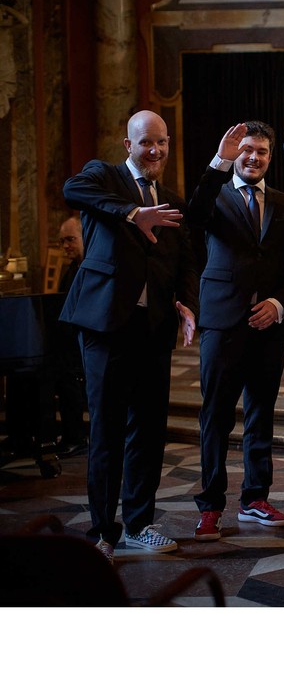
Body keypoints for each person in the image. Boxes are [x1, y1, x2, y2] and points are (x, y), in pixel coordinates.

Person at [61, 110, 199, 562]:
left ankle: (139, 524)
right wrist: (135, 212)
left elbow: (183, 263)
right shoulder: (104, 178)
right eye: (145, 143)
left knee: (148, 431)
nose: (154, 150)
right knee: (106, 429)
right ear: (129, 145)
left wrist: (187, 303)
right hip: (105, 327)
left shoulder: (173, 201)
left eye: (160, 142)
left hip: (153, 329)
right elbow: (72, 189)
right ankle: (102, 530)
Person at [188, 120, 284, 541]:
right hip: (222, 322)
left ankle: (255, 498)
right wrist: (218, 160)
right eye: (247, 150)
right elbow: (194, 217)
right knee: (216, 417)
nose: (253, 157)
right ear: (236, 153)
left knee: (260, 415)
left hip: (268, 325)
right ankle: (210, 506)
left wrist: (278, 304)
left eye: (261, 152)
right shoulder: (215, 194)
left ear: (270, 158)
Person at [55, 216, 89, 457]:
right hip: (70, 340)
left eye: (70, 240)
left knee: (66, 374)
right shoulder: (70, 269)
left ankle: (76, 436)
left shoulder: (90, 266)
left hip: (87, 341)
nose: (66, 246)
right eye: (62, 241)